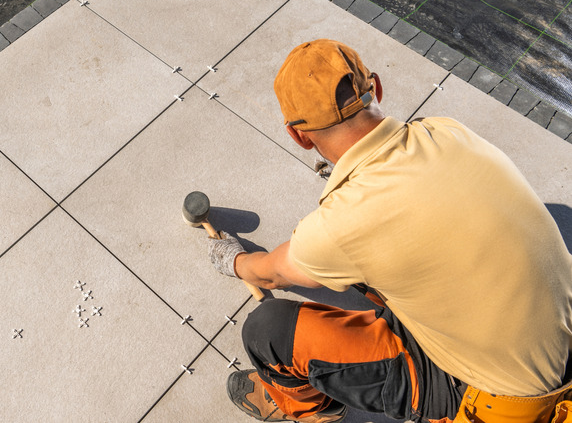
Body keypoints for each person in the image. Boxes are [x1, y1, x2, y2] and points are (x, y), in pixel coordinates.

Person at [207, 39, 572, 423]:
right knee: (367, 268)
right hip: (562, 336)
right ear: (376, 87)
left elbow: (273, 273)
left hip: (497, 400)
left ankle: (307, 407)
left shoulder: (342, 223)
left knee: (268, 333)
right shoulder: (448, 131)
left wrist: (234, 260)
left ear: (298, 135)